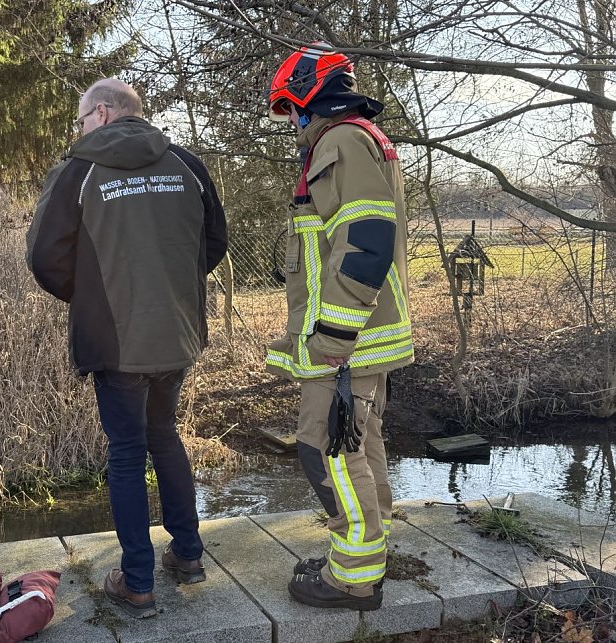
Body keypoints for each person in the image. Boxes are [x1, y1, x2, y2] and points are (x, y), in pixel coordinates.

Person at [26, 78, 227, 619]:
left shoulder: (79, 171)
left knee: (126, 451)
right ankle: (188, 554)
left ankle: (137, 581)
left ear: (104, 113)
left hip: (115, 339)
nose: (79, 129)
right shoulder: (186, 164)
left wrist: (92, 295)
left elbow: (44, 256)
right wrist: (172, 290)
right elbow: (213, 243)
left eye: (81, 119)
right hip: (176, 332)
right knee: (164, 434)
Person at [264, 45, 413, 611]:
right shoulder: (359, 138)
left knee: (324, 449)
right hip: (362, 336)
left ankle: (352, 578)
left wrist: (333, 337)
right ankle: (367, 554)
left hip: (346, 342)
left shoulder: (341, 142)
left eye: (291, 109)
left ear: (308, 95)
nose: (291, 123)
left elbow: (363, 244)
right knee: (360, 445)